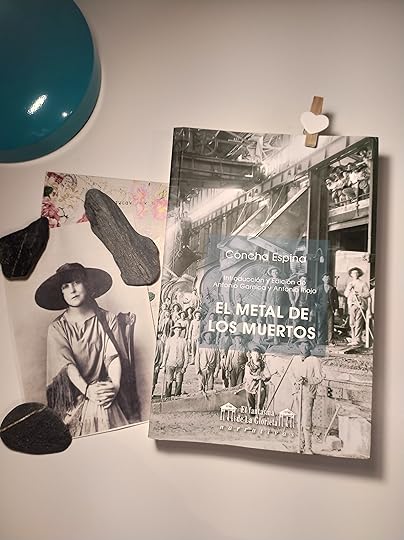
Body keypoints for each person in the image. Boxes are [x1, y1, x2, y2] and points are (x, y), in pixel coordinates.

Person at [35, 262, 134, 437]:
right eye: (66, 286)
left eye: (77, 282)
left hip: (106, 390)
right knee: (95, 409)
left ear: (87, 284)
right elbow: (67, 365)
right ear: (61, 293)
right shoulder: (58, 328)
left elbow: (113, 356)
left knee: (103, 406)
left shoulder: (107, 319)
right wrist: (88, 391)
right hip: (75, 396)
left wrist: (114, 387)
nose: (72, 290)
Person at [290, 338, 324, 454]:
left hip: (308, 393)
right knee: (298, 420)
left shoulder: (315, 360)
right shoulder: (294, 359)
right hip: (297, 392)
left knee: (306, 421)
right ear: (299, 346)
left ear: (310, 347)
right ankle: (300, 445)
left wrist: (306, 380)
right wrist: (296, 381)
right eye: (302, 345)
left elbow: (319, 378)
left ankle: (308, 447)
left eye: (306, 345)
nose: (304, 348)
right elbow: (291, 375)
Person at [261, 267, 289, 345]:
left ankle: (276, 338)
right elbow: (265, 291)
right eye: (273, 272)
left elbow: (288, 289)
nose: (275, 273)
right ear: (271, 273)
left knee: (276, 321)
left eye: (276, 272)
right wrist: (263, 301)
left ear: (278, 273)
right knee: (269, 320)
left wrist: (291, 299)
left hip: (278, 304)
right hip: (269, 303)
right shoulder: (269, 281)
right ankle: (270, 337)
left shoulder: (282, 281)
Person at [344, 267, 370, 346]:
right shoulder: (350, 284)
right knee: (352, 322)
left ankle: (358, 339)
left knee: (358, 322)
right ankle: (353, 338)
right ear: (351, 275)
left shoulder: (363, 283)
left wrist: (359, 294)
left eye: (356, 273)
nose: (354, 274)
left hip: (360, 305)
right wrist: (349, 289)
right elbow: (346, 294)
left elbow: (367, 294)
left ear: (359, 274)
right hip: (352, 305)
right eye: (353, 273)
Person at [160, 323, 188, 397]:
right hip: (170, 364)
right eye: (177, 329)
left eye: (180, 329)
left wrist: (185, 366)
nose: (178, 331)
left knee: (179, 383)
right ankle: (167, 397)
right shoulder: (169, 340)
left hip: (180, 364)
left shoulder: (184, 341)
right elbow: (166, 353)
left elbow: (186, 354)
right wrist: (163, 364)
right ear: (174, 330)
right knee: (169, 382)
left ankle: (177, 398)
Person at [244, 344, 271, 412]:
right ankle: (251, 412)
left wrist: (265, 378)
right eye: (254, 354)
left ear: (259, 355)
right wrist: (255, 377)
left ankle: (260, 409)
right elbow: (247, 375)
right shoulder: (248, 365)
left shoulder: (263, 364)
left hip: (259, 384)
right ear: (251, 355)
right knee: (250, 398)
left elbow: (268, 374)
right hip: (250, 384)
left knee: (262, 391)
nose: (255, 356)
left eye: (257, 355)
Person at [315, 273, 339, 345]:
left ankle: (330, 340)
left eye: (328, 278)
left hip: (330, 309)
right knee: (320, 324)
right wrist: (317, 306)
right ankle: (320, 340)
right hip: (321, 309)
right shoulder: (319, 288)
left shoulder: (332, 289)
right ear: (322, 279)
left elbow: (336, 300)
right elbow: (314, 299)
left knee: (330, 325)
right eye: (325, 278)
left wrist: (336, 309)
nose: (327, 279)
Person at [152, 331, 164, 395]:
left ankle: (151, 394)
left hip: (155, 364)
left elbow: (161, 354)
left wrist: (159, 365)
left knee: (153, 382)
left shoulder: (160, 343)